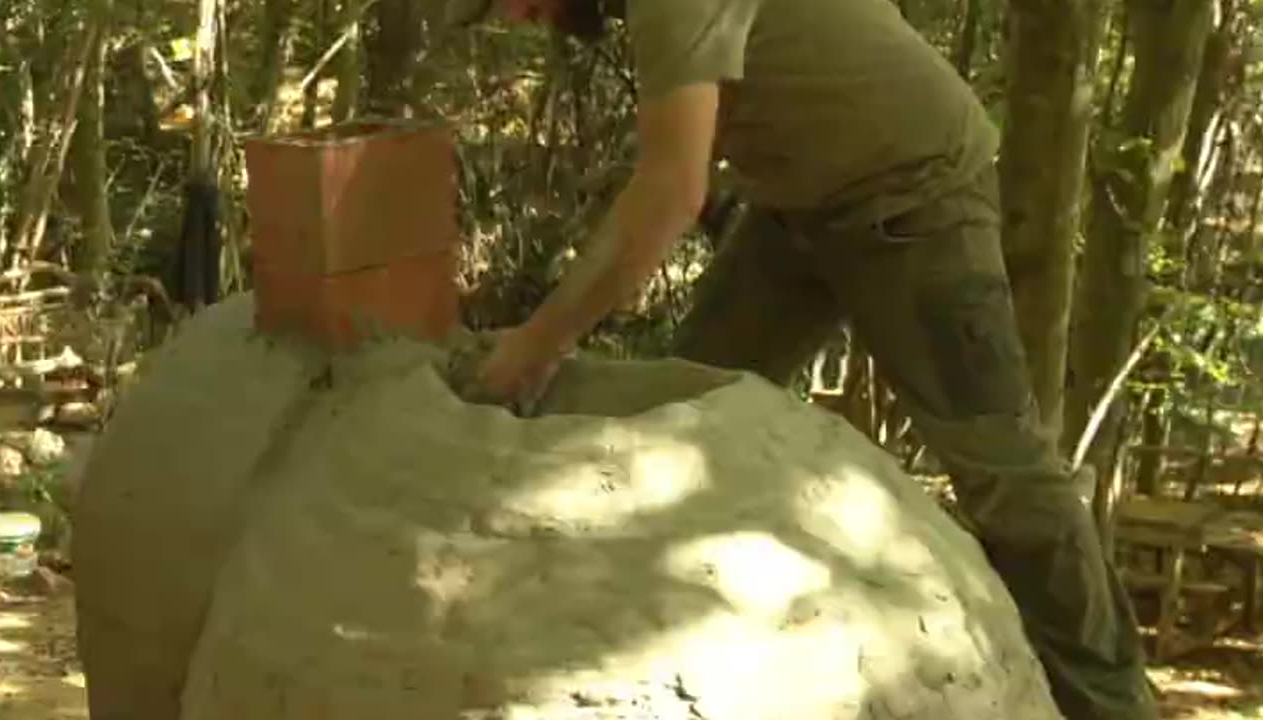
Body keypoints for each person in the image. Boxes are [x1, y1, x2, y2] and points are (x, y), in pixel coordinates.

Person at [443, 1, 1159, 718]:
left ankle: (1111, 704)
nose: (517, 15)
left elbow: (671, 189)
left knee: (1002, 469)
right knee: (683, 408)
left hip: (915, 193)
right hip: (799, 203)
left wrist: (539, 341)